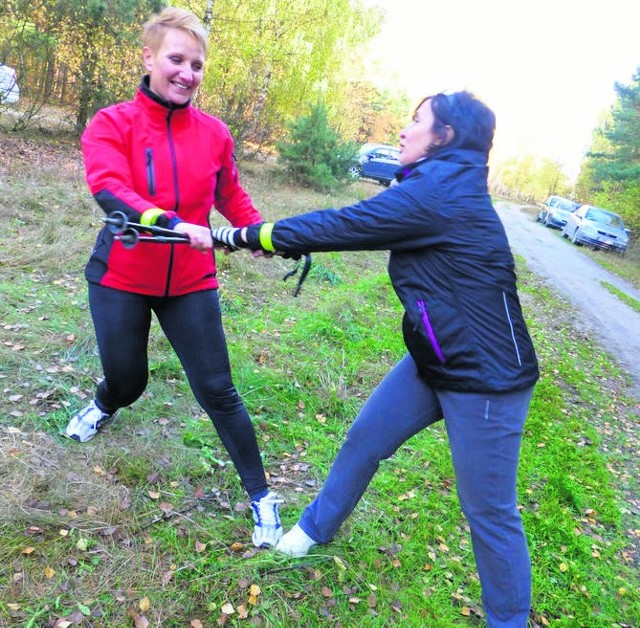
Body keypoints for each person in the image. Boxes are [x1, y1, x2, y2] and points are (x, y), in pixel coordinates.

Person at [212, 91, 540, 627]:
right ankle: (314, 530)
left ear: (444, 138)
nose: (404, 131)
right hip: (434, 356)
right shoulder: (441, 186)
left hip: (486, 377)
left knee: (490, 512)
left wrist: (242, 234)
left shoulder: (439, 194)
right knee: (365, 439)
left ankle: (508, 621)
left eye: (417, 122)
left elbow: (344, 225)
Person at [65, 6, 282, 548]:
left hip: (190, 281)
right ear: (149, 57)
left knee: (218, 389)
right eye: (177, 59)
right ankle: (105, 402)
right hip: (120, 275)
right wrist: (172, 223)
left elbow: (230, 194)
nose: (188, 73)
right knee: (129, 380)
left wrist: (256, 234)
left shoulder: (214, 133)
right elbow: (110, 188)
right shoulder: (111, 123)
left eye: (198, 64)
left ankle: (261, 497)